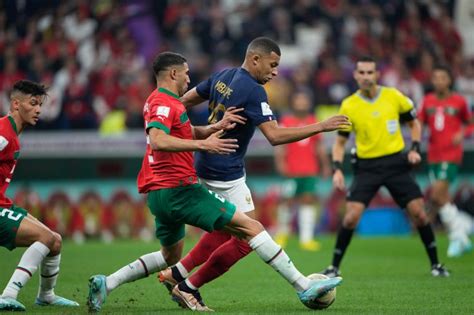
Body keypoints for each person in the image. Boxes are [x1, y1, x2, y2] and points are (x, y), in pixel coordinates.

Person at [87, 52, 345, 312]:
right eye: (186, 73)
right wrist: (321, 126)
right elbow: (158, 140)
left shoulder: (164, 100)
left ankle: (108, 283)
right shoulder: (177, 103)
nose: (190, 78)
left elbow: (180, 126)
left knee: (172, 255)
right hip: (183, 188)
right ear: (173, 74)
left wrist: (212, 128)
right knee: (251, 231)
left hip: (157, 191)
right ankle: (302, 287)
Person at [157, 37, 350, 305]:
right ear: (255, 59)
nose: (275, 72)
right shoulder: (254, 90)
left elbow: (182, 102)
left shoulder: (223, 74)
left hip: (208, 164)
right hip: (226, 174)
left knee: (227, 232)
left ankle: (176, 273)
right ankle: (190, 286)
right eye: (272, 65)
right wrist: (321, 126)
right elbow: (274, 135)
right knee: (248, 238)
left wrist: (163, 121)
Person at [321, 56, 450, 278]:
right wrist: (337, 169)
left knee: (419, 214)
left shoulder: (393, 96)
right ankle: (334, 267)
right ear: (355, 75)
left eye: (370, 72)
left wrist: (415, 149)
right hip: (366, 167)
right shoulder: (349, 104)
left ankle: (436, 265)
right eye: (361, 73)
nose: (366, 77)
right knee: (351, 217)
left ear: (377, 75)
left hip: (395, 164)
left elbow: (414, 123)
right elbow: (340, 142)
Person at [0, 80, 79, 311]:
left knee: (54, 241)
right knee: (43, 238)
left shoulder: (12, 133)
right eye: (33, 103)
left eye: (40, 105)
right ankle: (8, 294)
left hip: (4, 203)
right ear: (16, 104)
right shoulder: (4, 134)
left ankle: (46, 295)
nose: (38, 110)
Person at [418, 65, 473, 257]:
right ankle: (461, 238)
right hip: (433, 154)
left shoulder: (459, 101)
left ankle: (459, 235)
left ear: (449, 80)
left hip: (451, 154)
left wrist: (462, 133)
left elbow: (469, 121)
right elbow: (419, 123)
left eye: (443, 77)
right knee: (443, 198)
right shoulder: (427, 101)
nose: (439, 81)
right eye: (436, 78)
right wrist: (416, 139)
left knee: (436, 195)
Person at [274, 90, 331, 251]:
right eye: (299, 100)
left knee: (308, 200)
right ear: (293, 103)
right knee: (287, 201)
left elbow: (319, 146)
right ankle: (282, 234)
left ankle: (306, 238)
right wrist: (280, 162)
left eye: (304, 100)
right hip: (291, 170)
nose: (302, 103)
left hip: (309, 170)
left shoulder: (314, 121)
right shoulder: (286, 121)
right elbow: (280, 144)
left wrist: (326, 165)